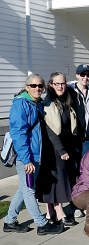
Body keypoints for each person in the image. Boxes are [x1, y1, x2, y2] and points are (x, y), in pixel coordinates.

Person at [3, 74, 63, 235]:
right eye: (33, 86)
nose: (37, 88)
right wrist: (26, 158)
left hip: (35, 155)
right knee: (29, 189)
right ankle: (42, 224)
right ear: (27, 87)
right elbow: (18, 133)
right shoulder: (21, 104)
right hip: (27, 156)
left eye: (40, 86)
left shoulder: (35, 103)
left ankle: (9, 221)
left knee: (24, 189)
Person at [36, 72, 77, 226]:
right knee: (56, 180)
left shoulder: (63, 100)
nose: (60, 86)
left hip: (64, 146)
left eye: (63, 83)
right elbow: (50, 131)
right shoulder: (48, 102)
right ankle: (59, 213)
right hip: (52, 148)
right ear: (51, 85)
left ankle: (50, 212)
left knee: (54, 180)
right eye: (57, 83)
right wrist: (61, 150)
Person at [68, 64, 89, 218]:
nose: (85, 77)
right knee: (74, 172)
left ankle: (84, 202)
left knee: (86, 172)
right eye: (82, 74)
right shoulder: (70, 91)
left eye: (88, 75)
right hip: (74, 139)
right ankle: (74, 205)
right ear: (77, 75)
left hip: (88, 139)